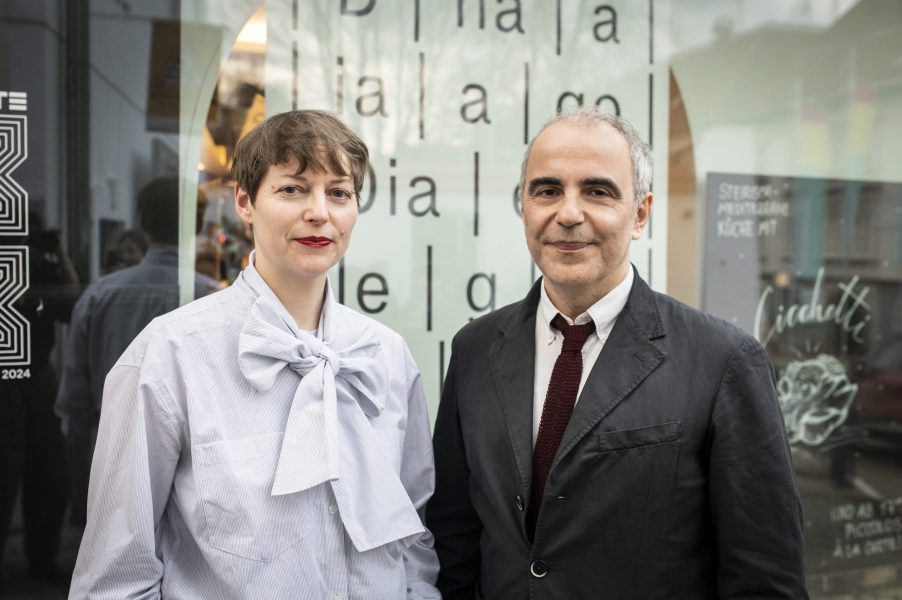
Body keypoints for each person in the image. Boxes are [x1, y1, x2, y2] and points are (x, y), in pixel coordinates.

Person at [425, 106, 807, 599]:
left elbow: (765, 578)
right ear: (524, 205)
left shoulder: (723, 362)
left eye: (597, 191)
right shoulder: (475, 349)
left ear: (640, 214)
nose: (567, 213)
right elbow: (454, 538)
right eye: (547, 191)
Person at [68, 110, 440, 599]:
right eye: (292, 189)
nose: (319, 212)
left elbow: (414, 535)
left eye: (339, 193)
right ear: (245, 202)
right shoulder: (170, 354)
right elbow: (116, 577)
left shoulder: (385, 355)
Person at [55, 176, 220, 526]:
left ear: (142, 222)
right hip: (193, 469)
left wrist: (81, 478)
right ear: (197, 224)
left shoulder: (99, 296)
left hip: (110, 457)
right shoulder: (212, 299)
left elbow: (73, 402)